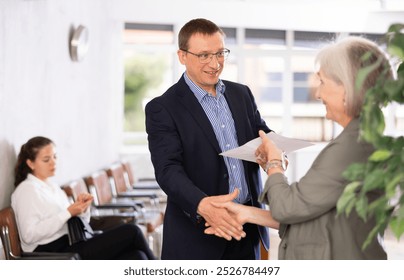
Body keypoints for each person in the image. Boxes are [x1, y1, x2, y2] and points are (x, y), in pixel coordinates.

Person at [205, 36, 392, 260]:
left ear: (346, 86)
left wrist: (274, 164)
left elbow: (287, 208)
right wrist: (245, 212)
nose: (317, 93)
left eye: (322, 82)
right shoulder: (363, 140)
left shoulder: (351, 147)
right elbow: (307, 213)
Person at [145, 18, 271, 260]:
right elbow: (167, 170)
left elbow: (261, 131)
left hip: (246, 228)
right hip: (196, 236)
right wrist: (203, 205)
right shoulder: (163, 107)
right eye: (204, 55)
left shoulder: (241, 93)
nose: (215, 64)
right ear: (182, 56)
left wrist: (275, 150)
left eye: (220, 53)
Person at [12, 136, 156, 260]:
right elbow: (28, 235)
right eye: (46, 159)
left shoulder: (52, 187)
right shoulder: (27, 191)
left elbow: (74, 221)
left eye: (55, 156)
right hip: (53, 252)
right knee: (133, 231)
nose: (53, 162)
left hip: (72, 242)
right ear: (30, 163)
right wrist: (68, 212)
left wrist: (82, 210)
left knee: (138, 257)